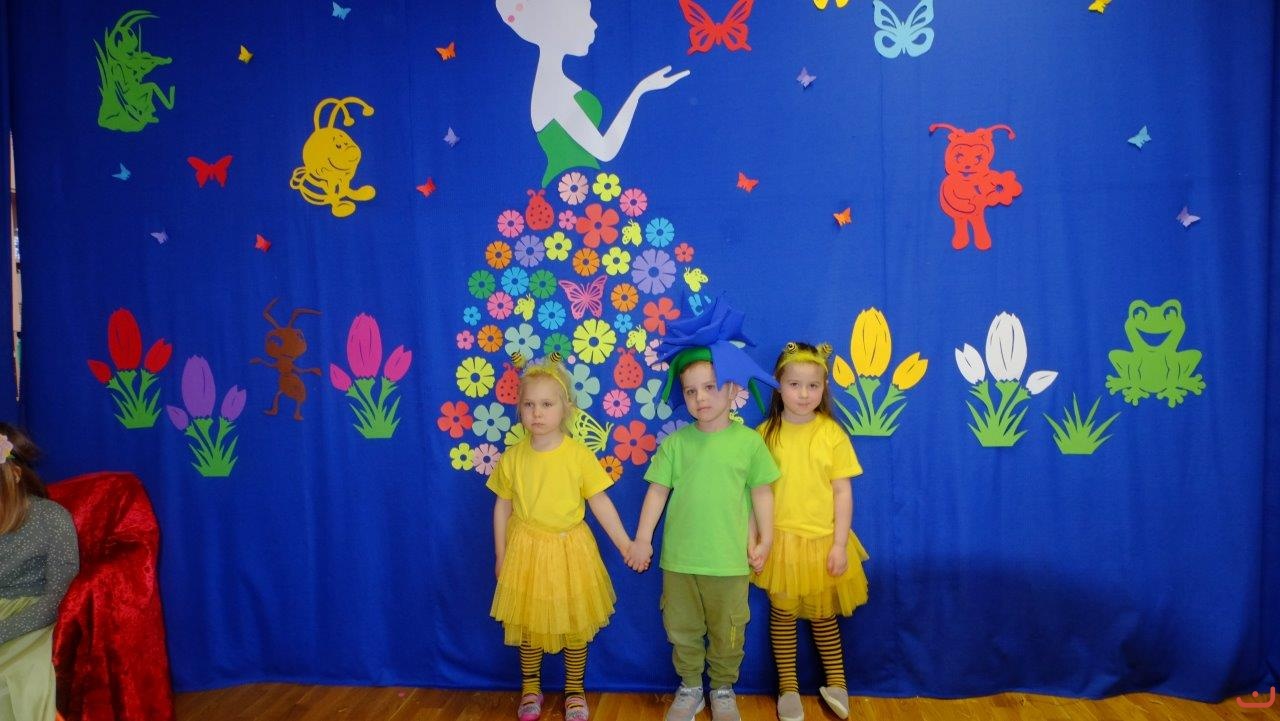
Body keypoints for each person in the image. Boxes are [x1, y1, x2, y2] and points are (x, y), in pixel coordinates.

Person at [626, 298, 780, 721]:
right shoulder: (676, 444)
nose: (700, 398)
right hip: (680, 561)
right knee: (682, 629)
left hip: (729, 562)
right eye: (691, 391)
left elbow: (763, 494)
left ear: (732, 390)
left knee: (729, 629)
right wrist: (642, 540)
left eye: (710, 387)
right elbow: (656, 492)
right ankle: (691, 687)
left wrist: (765, 538)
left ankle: (724, 688)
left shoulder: (749, 443)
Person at [489, 356, 633, 721]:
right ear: (519, 408)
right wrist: (500, 554)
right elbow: (502, 507)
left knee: (573, 624)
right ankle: (530, 687)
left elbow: (600, 502)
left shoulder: (578, 455)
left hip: (571, 551)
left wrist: (625, 544)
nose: (537, 413)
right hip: (526, 552)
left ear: (566, 407)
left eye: (547, 404)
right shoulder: (513, 458)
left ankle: (574, 690)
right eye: (529, 404)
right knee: (529, 624)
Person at [753, 343, 869, 721]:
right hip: (781, 543)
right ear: (779, 386)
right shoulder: (764, 434)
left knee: (823, 616)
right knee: (783, 615)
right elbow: (755, 493)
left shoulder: (832, 433)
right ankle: (788, 687)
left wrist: (839, 544)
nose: (804, 394)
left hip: (823, 542)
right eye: (794, 384)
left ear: (824, 388)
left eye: (813, 386)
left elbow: (842, 492)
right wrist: (756, 539)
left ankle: (837, 682)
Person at [495, 0, 689, 186]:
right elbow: (605, 149)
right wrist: (640, 90)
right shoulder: (554, 90)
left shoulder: (555, 84)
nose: (594, 24)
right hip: (574, 189)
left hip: (582, 184)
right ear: (558, 26)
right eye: (585, 16)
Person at [0, 424, 79, 721]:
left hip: (33, 619)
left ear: (14, 474)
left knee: (17, 680)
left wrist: (4, 630)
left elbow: (57, 596)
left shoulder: (51, 519)